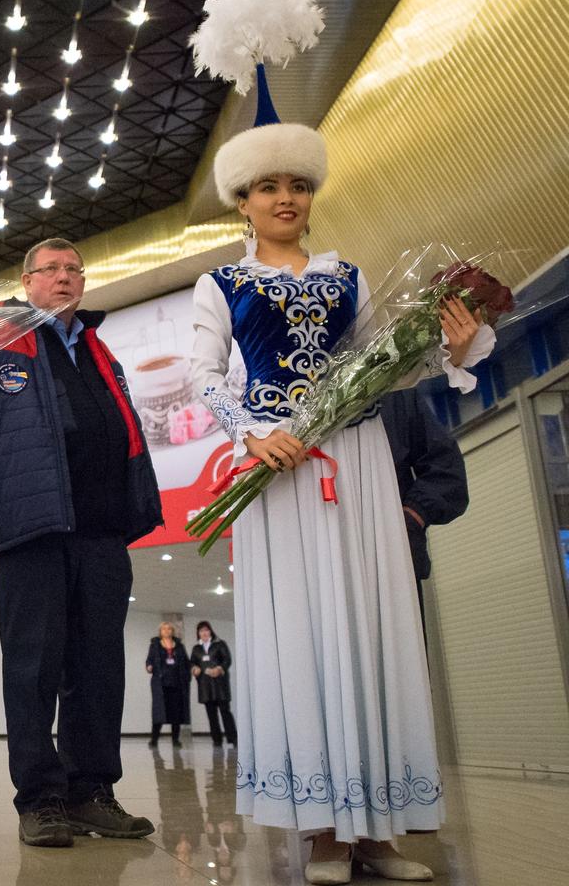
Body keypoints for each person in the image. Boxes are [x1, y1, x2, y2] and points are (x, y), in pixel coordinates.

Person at [189, 49, 492, 883]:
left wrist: (449, 346)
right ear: (242, 201)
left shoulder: (348, 277)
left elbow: (380, 368)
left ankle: (379, 833)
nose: (286, 198)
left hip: (357, 464)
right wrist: (251, 434)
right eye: (267, 186)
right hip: (280, 473)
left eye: (299, 184)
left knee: (371, 628)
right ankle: (319, 831)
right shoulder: (220, 283)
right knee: (306, 637)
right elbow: (202, 378)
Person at [0, 237, 163, 848]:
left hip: (102, 529)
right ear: (27, 280)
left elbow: (125, 428)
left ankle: (92, 793)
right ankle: (40, 799)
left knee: (99, 666)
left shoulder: (97, 346)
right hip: (33, 531)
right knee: (34, 666)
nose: (63, 278)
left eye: (73, 270)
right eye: (50, 270)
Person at [379, 390, 469, 634]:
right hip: (305, 572)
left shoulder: (390, 387)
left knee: (400, 669)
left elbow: (447, 473)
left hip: (391, 571)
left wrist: (409, 521)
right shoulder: (274, 391)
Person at [189, 621, 236, 747]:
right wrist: (194, 668)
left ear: (210, 631)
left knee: (225, 712)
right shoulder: (196, 648)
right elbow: (192, 662)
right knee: (211, 715)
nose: (204, 633)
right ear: (198, 633)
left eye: (206, 630)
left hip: (220, 685)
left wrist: (219, 669)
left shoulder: (220, 644)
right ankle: (217, 740)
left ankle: (233, 739)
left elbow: (227, 660)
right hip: (205, 686)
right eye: (201, 631)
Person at [146, 621, 191, 748]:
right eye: (164, 629)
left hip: (177, 684)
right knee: (159, 712)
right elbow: (149, 660)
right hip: (161, 684)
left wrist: (191, 670)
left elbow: (186, 662)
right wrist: (149, 666)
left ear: (172, 631)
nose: (166, 631)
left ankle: (175, 740)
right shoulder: (155, 645)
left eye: (169, 629)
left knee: (175, 712)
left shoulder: (179, 646)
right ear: (160, 632)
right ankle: (154, 739)